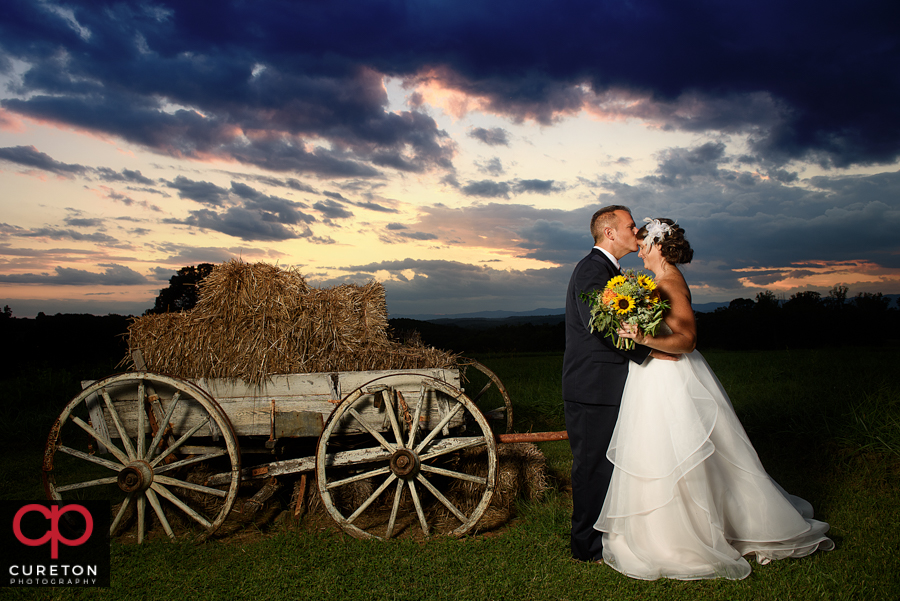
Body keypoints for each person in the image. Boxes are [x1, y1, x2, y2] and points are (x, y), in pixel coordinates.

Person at [593, 218, 834, 580]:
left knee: (681, 455)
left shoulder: (670, 282)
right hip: (652, 378)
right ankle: (658, 532)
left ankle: (685, 536)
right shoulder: (653, 283)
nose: (639, 248)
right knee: (655, 451)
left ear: (658, 245)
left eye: (644, 242)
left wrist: (643, 338)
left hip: (672, 379)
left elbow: (687, 340)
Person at [562, 205, 676, 563]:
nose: (637, 232)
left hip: (609, 385)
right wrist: (650, 352)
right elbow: (602, 325)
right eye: (630, 226)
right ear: (610, 233)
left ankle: (612, 536)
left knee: (610, 466)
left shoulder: (608, 270)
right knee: (592, 468)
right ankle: (587, 547)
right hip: (593, 388)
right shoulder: (592, 269)